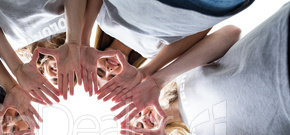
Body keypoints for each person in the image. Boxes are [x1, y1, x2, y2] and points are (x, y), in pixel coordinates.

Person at [111, 4, 290, 135]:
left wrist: (158, 80)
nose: (144, 119)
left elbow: (230, 33)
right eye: (141, 127)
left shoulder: (181, 76)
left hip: (278, 44)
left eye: (137, 114)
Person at [79, 0, 253, 97]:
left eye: (100, 72)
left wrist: (81, 43)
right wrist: (147, 71)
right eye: (113, 77)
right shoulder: (153, 54)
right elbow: (201, 30)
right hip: (202, 5)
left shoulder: (103, 22)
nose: (109, 70)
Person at [0, 0, 86, 101]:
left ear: (42, 74)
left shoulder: (11, 44)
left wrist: (16, 68)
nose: (61, 74)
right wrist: (74, 42)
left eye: (55, 80)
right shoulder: (75, 23)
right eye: (70, 74)